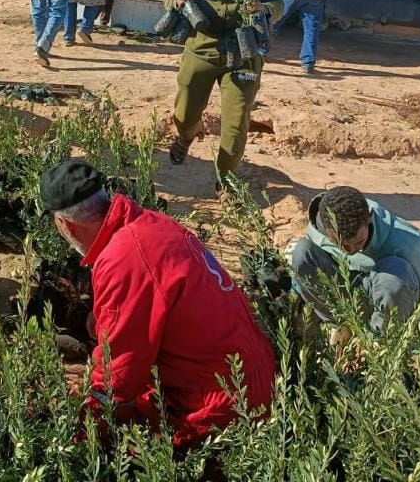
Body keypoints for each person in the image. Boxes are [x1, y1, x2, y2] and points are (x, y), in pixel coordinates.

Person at [40, 158, 276, 446]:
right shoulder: (149, 223)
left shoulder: (122, 259)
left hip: (223, 400)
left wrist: (82, 432)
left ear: (65, 225)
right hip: (249, 371)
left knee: (122, 445)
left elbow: (120, 373)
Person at [164, 0, 284, 191]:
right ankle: (185, 137)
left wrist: (264, 9)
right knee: (185, 113)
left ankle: (225, 183)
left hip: (244, 54)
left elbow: (279, 4)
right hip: (202, 48)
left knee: (235, 124)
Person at [287, 186, 420, 333]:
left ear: (369, 218)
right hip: (346, 296)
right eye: (340, 244)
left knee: (394, 276)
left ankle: (379, 341)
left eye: (358, 242)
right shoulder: (320, 223)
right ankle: (337, 328)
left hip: (388, 305)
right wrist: (296, 294)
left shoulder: (407, 243)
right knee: (302, 252)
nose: (348, 251)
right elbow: (305, 267)